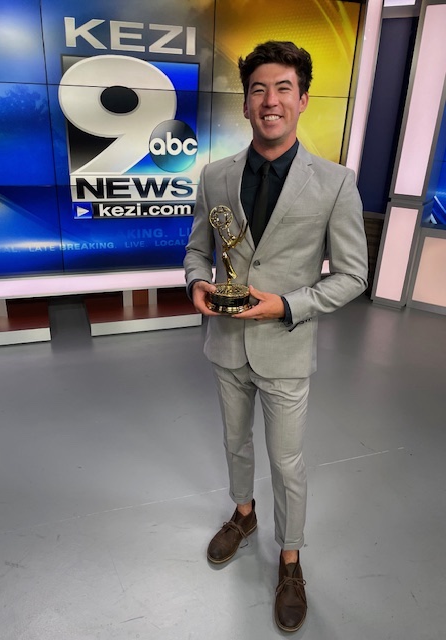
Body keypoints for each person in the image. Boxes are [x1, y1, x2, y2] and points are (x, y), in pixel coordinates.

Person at [183, 40, 368, 632]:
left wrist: (286, 304)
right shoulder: (214, 176)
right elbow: (196, 250)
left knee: (287, 463)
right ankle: (244, 515)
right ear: (245, 104)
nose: (271, 100)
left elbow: (353, 276)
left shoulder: (336, 183)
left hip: (287, 347)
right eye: (259, 89)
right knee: (236, 446)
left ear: (302, 100)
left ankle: (290, 560)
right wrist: (195, 285)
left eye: (283, 88)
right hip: (225, 346)